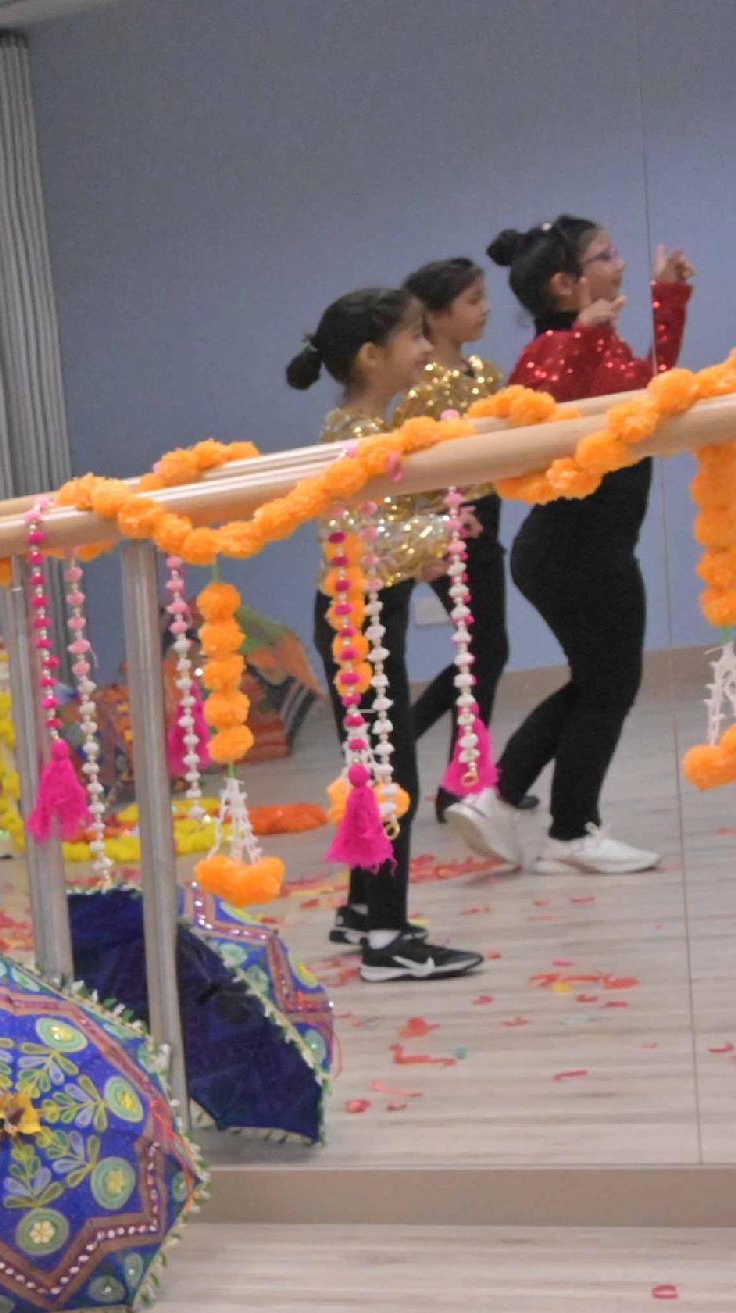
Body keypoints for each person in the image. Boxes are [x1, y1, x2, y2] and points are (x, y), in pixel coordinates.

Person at [450, 218, 690, 878]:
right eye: (605, 256)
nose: (620, 263)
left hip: (592, 547)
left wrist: (668, 303)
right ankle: (568, 828)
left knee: (601, 681)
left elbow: (655, 392)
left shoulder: (602, 343)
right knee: (611, 684)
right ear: (565, 283)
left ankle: (505, 800)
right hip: (573, 548)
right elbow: (546, 400)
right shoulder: (550, 351)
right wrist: (584, 333)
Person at [293, 288, 483, 980]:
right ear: (373, 356)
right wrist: (442, 529)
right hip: (357, 620)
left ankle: (362, 911)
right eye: (415, 338)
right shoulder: (357, 435)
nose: (427, 351)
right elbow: (361, 535)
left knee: (373, 768)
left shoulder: (364, 427)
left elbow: (375, 531)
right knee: (390, 772)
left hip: (363, 613)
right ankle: (387, 939)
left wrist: (425, 542)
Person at [393, 256, 513, 827]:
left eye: (483, 296)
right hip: (450, 523)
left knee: (485, 652)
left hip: (486, 514)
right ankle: (458, 781)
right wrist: (428, 545)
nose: (485, 308)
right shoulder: (420, 391)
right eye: (471, 300)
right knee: (485, 652)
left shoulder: (484, 371)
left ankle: (457, 781)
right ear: (437, 318)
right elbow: (410, 472)